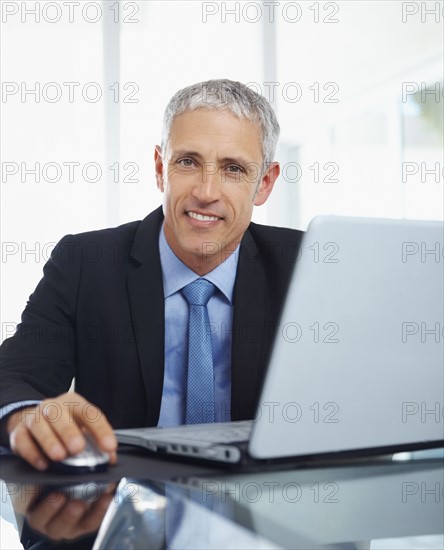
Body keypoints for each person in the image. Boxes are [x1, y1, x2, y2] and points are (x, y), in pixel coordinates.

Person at [0, 79, 303, 470]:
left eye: (233, 169)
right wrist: (28, 416)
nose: (206, 192)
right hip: (117, 508)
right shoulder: (84, 263)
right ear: (161, 169)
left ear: (263, 183)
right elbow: (14, 376)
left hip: (264, 507)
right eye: (188, 162)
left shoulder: (305, 265)